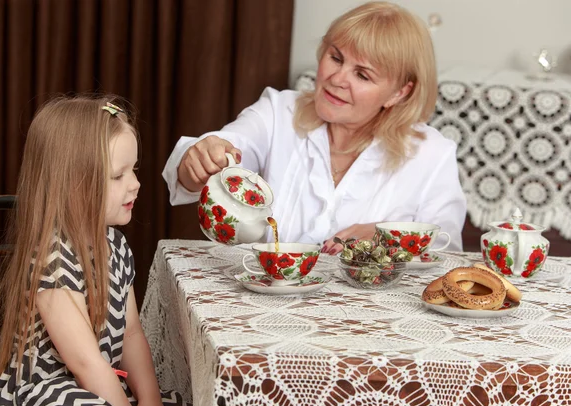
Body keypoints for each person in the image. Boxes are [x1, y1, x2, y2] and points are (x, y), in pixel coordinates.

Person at [0, 97, 192, 406]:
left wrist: (150, 403)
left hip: (98, 387)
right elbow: (85, 363)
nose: (136, 184)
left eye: (134, 170)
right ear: (74, 185)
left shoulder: (115, 245)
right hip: (46, 395)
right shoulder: (52, 261)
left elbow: (132, 333)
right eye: (119, 176)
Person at [163, 1, 466, 254]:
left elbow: (447, 251)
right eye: (336, 58)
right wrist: (200, 157)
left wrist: (387, 237)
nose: (337, 78)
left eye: (362, 75)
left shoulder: (432, 155)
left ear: (400, 92)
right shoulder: (278, 110)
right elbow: (226, 146)